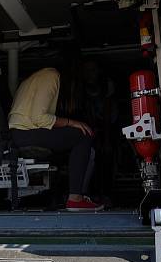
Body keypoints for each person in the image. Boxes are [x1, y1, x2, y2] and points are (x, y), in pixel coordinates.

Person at [7, 67, 103, 211]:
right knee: (83, 136)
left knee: (73, 137)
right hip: (26, 133)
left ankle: (69, 195)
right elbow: (39, 118)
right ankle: (75, 198)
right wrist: (72, 122)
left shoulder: (33, 78)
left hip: (20, 133)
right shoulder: (51, 76)